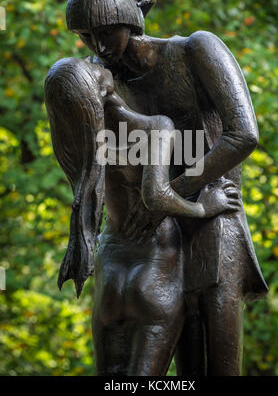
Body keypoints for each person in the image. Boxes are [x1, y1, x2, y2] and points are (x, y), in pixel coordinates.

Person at [64, 0, 268, 376]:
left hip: (211, 214)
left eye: (107, 32)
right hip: (154, 230)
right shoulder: (105, 79)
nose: (99, 46)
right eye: (88, 36)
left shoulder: (196, 49)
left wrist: (174, 190)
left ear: (131, 21)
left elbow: (243, 134)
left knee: (217, 358)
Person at [45, 56, 241, 375]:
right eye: (91, 68)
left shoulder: (81, 147)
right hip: (154, 270)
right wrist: (205, 206)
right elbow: (157, 196)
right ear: (98, 89)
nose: (93, 59)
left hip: (110, 274)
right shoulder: (153, 127)